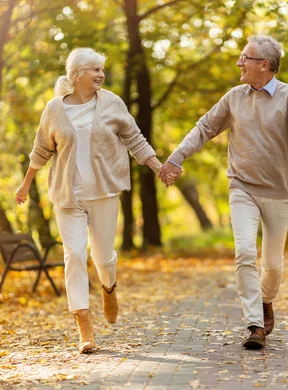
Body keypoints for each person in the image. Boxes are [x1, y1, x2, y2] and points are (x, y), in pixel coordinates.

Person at [159, 36, 288, 349]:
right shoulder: (234, 97)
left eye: (245, 58)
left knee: (273, 266)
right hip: (242, 186)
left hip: (278, 191)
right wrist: (176, 156)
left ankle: (266, 300)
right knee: (245, 251)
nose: (239, 63)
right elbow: (205, 127)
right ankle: (254, 325)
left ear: (264, 64)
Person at [16, 48, 176, 353]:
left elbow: (135, 139)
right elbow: (41, 150)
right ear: (77, 74)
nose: (101, 74)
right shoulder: (54, 109)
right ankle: (84, 324)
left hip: (104, 193)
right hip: (67, 196)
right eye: (95, 69)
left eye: (102, 69)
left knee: (103, 258)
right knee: (74, 255)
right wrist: (25, 185)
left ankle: (109, 287)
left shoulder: (112, 103)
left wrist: (159, 168)